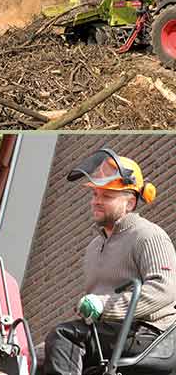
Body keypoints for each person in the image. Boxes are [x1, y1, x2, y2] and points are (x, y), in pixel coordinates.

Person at [43, 149, 176, 374]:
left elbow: (165, 289)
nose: (96, 201)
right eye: (95, 195)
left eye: (107, 196)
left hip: (150, 334)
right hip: (111, 335)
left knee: (64, 336)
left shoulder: (148, 235)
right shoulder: (94, 248)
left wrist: (104, 305)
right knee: (41, 356)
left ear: (130, 203)